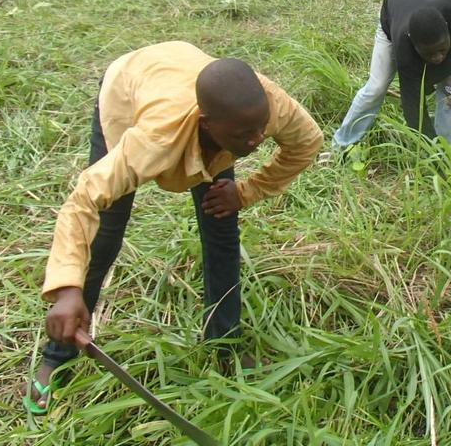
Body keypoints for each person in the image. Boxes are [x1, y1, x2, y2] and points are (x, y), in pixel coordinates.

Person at [24, 41, 323, 415]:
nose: (255, 140)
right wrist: (67, 289)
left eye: (260, 129)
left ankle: (224, 345)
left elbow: (307, 142)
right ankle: (58, 356)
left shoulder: (259, 109)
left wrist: (246, 192)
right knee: (104, 235)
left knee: (222, 229)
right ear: (206, 123)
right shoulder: (154, 140)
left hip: (189, 85)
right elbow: (83, 201)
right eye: (244, 135)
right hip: (129, 89)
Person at [332, 0, 451, 150]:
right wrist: (430, 148)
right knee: (376, 87)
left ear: (447, 30)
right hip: (393, 14)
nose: (438, 58)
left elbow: (450, 56)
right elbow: (413, 109)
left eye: (441, 50)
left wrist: (442, 84)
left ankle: (450, 154)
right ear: (414, 45)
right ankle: (341, 145)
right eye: (429, 54)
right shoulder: (403, 44)